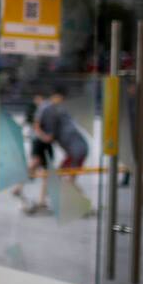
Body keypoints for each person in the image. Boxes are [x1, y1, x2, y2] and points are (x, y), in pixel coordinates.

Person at [28, 85, 89, 214]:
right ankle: (43, 201)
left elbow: (42, 128)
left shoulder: (57, 112)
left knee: (64, 179)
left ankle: (83, 204)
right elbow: (38, 125)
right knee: (59, 177)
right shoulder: (52, 110)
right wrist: (43, 136)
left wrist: (45, 137)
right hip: (75, 150)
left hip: (76, 152)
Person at [12, 93, 53, 206]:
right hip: (40, 142)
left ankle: (21, 189)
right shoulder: (41, 110)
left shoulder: (42, 109)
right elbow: (35, 125)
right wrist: (45, 137)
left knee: (39, 168)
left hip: (41, 142)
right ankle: (39, 198)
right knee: (39, 167)